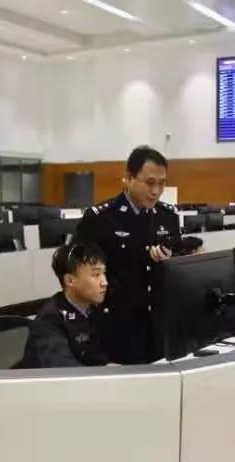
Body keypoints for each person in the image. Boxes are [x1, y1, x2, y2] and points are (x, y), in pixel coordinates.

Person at [75, 145, 182, 365]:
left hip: (159, 325)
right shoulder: (101, 218)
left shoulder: (167, 217)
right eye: (149, 183)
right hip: (118, 326)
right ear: (130, 178)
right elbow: (79, 270)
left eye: (162, 184)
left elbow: (177, 265)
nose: (156, 191)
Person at [15, 242, 110, 369]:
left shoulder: (92, 309)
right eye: (96, 275)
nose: (104, 282)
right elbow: (64, 370)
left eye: (104, 273)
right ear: (70, 280)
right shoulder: (50, 319)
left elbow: (96, 357)